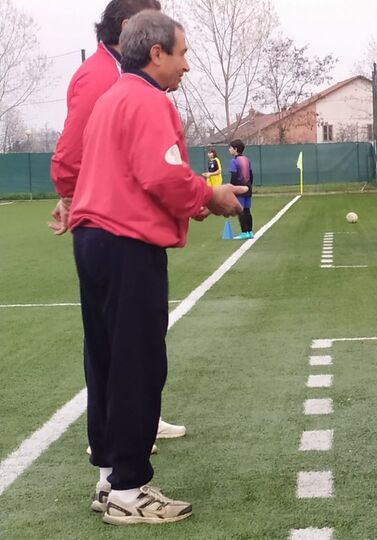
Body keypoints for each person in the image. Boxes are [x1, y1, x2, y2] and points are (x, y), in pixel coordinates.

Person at [70, 10, 247, 524]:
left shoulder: (111, 98)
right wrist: (211, 197)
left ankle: (109, 478)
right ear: (156, 54)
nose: (187, 66)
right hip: (126, 242)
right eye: (183, 53)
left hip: (94, 239)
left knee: (105, 362)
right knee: (137, 364)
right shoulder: (146, 99)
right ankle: (131, 489)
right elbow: (164, 176)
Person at [47, 0, 188, 446]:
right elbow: (75, 148)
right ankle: (121, 465)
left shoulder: (122, 84)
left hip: (107, 223)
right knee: (127, 355)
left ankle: (119, 453)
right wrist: (71, 196)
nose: (186, 64)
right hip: (117, 228)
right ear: (135, 31)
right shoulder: (106, 80)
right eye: (181, 51)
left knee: (124, 353)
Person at [229, 139, 255, 239]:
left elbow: (234, 176)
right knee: (247, 210)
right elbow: (251, 174)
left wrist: (232, 188)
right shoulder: (246, 160)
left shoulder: (234, 161)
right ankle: (250, 232)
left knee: (240, 210)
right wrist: (249, 186)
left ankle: (244, 232)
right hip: (248, 188)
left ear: (235, 149)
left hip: (239, 188)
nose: (229, 149)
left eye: (230, 147)